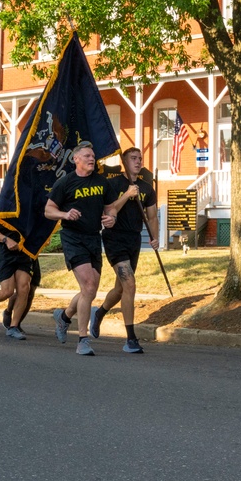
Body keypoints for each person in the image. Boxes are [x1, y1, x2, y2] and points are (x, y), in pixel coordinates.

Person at [45, 142, 135, 356]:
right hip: (73, 238)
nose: (91, 159)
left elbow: (110, 208)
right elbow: (49, 210)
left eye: (93, 156)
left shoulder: (101, 182)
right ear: (75, 159)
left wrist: (111, 218)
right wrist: (65, 215)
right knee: (87, 285)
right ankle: (83, 339)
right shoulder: (65, 183)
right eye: (86, 156)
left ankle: (64, 316)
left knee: (91, 290)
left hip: (93, 238)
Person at [80, 147, 159, 353]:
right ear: (125, 161)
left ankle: (99, 313)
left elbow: (151, 216)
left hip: (134, 239)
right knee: (130, 283)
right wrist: (127, 194)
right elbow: (109, 209)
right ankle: (131, 339)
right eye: (133, 158)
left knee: (120, 288)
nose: (138, 161)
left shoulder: (146, 187)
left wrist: (155, 237)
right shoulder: (113, 184)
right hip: (115, 238)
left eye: (140, 158)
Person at [0, 221, 35, 338]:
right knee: (7, 291)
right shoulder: (3, 203)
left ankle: (13, 327)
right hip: (4, 252)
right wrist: (6, 239)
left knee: (24, 288)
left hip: (24, 252)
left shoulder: (30, 204)